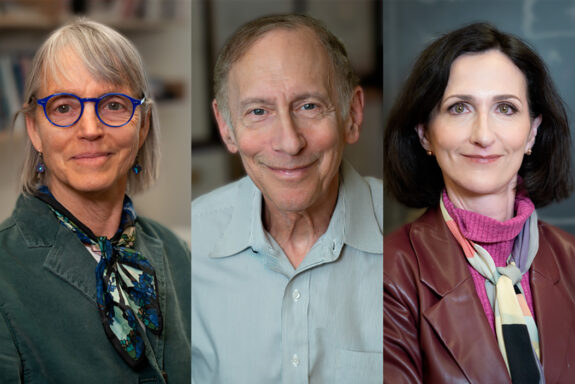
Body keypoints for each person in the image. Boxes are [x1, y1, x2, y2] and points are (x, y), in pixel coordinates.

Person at [192, 14, 382, 383]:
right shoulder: (187, 250)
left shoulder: (409, 240)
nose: (289, 142)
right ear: (227, 127)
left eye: (309, 106)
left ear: (352, 115)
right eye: (258, 112)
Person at [384, 22, 575, 383]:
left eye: (505, 108)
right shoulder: (388, 274)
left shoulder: (572, 261)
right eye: (459, 108)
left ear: (532, 131)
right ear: (425, 133)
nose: (483, 135)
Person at [0, 19, 190, 383]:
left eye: (114, 104)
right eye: (64, 107)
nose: (90, 129)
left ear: (143, 125)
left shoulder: (176, 252)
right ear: (35, 129)